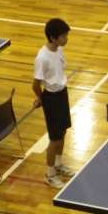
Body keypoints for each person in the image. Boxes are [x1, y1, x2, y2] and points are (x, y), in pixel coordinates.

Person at [33, 18, 74, 189]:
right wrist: (41, 99)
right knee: (54, 139)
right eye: (63, 36)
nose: (66, 39)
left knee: (62, 131)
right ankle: (49, 175)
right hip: (51, 99)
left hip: (62, 94)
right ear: (52, 37)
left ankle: (58, 164)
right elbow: (35, 84)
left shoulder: (59, 50)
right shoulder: (42, 58)